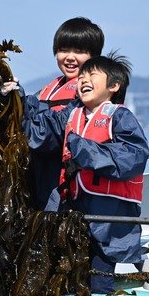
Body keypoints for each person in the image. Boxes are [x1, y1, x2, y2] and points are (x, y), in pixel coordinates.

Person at [16, 53, 149, 294]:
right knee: (68, 275)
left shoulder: (119, 117)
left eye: (92, 75)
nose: (83, 79)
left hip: (108, 217)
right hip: (74, 212)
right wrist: (17, 100)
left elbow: (134, 156)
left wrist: (82, 148)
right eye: (82, 76)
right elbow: (40, 132)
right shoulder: (71, 114)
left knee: (99, 279)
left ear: (113, 86)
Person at [29, 17, 104, 211]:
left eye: (79, 51)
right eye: (63, 50)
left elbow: (52, 133)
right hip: (40, 177)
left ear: (94, 56)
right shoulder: (50, 88)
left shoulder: (91, 92)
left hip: (66, 183)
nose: (70, 57)